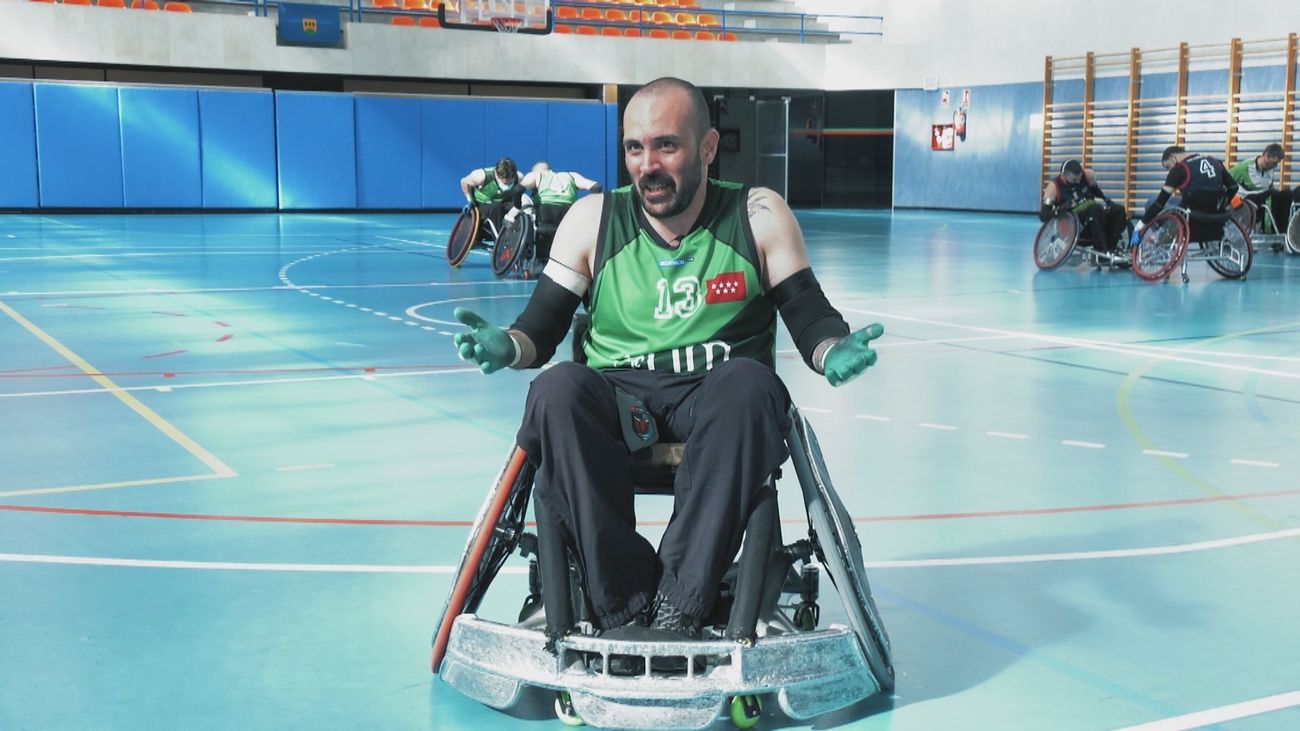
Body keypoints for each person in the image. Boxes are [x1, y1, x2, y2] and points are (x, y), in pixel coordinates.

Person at [450, 77, 884, 641]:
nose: (648, 165)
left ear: (706, 148)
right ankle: (625, 606)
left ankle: (680, 604)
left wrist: (830, 350)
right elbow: (542, 325)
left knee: (753, 386)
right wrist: (507, 345)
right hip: (618, 398)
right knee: (556, 391)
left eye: (666, 146)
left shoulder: (756, 215)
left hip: (717, 396)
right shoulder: (593, 220)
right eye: (635, 148)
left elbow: (808, 314)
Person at [1138, 146, 1238, 243]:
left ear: (1173, 157)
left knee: (1151, 203)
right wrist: (1222, 206)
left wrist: (1140, 225)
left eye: (1168, 167)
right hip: (1214, 213)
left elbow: (1159, 204)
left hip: (1190, 216)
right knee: (1176, 199)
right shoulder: (1215, 162)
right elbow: (1233, 187)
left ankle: (1159, 236)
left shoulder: (1179, 170)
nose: (1169, 170)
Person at [518, 162, 602, 261]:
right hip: (567, 220)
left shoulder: (536, 175)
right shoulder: (571, 176)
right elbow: (596, 187)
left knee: (526, 205)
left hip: (544, 218)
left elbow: (517, 190)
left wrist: (514, 210)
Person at [1039, 159, 1128, 252]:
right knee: (1095, 208)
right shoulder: (1054, 187)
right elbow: (1043, 215)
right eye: (1074, 180)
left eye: (1079, 178)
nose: (1078, 182)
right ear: (1064, 176)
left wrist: (1106, 200)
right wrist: (1062, 209)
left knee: (1119, 210)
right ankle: (1101, 250)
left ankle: (1110, 248)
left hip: (1095, 216)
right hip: (1074, 225)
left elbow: (1095, 191)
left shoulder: (1088, 175)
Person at [1228, 143, 1294, 234]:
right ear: (1266, 156)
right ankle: (1271, 232)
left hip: (1264, 196)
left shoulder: (1270, 170)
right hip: (1247, 200)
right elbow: (1225, 180)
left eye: (1277, 164)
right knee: (1272, 195)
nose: (1275, 166)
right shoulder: (1245, 167)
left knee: (1287, 194)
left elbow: (1270, 187)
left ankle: (1283, 232)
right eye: (1274, 163)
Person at [459, 157, 525, 241]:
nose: (507, 185)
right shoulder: (481, 176)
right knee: (496, 206)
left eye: (510, 182)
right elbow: (464, 182)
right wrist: (470, 200)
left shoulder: (519, 177)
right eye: (505, 182)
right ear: (497, 175)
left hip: (504, 203)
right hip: (482, 205)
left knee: (521, 207)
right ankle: (500, 240)